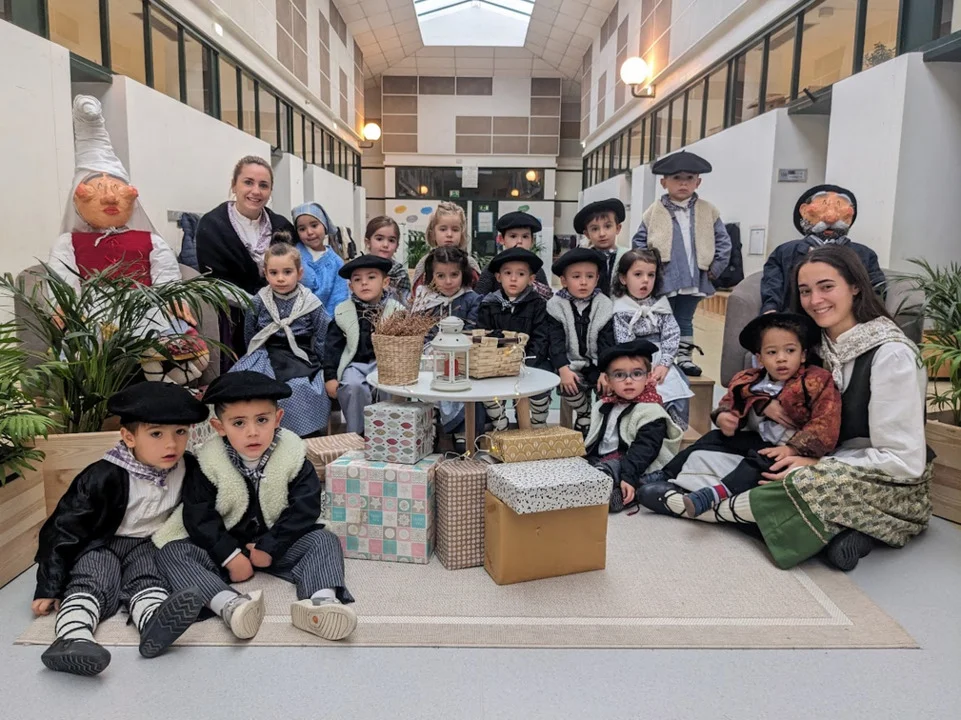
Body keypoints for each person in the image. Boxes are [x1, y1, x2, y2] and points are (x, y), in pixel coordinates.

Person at [640, 245, 932, 571]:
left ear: (855, 286)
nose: (815, 300)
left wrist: (814, 463)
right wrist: (758, 409)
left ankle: (690, 506)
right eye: (805, 291)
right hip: (812, 453)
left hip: (877, 476)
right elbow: (761, 399)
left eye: (826, 287)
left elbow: (903, 461)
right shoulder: (813, 346)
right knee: (728, 456)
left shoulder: (892, 354)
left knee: (793, 484)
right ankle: (835, 533)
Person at [154, 372, 356, 641]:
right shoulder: (208, 462)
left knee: (324, 540)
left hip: (279, 542)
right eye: (239, 423)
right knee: (173, 552)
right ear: (219, 427)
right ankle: (229, 605)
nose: (252, 432)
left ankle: (321, 602)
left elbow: (305, 507)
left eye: (262, 420)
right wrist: (229, 556)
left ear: (278, 419)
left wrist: (270, 547)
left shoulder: (293, 456)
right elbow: (199, 515)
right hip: (226, 545)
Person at [32, 383, 209, 676]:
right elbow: (63, 529)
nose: (171, 445)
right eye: (156, 434)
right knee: (93, 577)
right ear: (129, 437)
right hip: (101, 542)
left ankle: (154, 622)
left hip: (149, 543)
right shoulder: (102, 476)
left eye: (180, 432)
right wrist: (49, 585)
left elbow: (204, 512)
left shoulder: (188, 467)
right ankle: (73, 636)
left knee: (149, 577)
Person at [48, 95, 208, 385]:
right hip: (95, 312)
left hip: (145, 307)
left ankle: (162, 377)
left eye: (116, 188)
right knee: (86, 351)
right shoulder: (69, 243)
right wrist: (65, 305)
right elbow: (64, 280)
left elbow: (165, 278)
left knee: (172, 342)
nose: (110, 197)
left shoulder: (151, 240)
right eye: (98, 189)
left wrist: (174, 298)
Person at [640, 312, 841, 519]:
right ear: (760, 358)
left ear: (803, 355)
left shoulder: (816, 380)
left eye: (790, 350)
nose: (781, 358)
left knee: (760, 462)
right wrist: (723, 417)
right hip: (758, 439)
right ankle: (667, 473)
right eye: (772, 352)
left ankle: (714, 494)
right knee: (712, 438)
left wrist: (792, 448)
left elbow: (825, 421)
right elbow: (729, 401)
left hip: (790, 446)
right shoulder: (749, 379)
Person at [631, 150, 732, 376]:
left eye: (689, 178)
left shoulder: (708, 210)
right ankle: (660, 356)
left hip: (695, 276)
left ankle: (684, 357)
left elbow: (724, 242)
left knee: (685, 318)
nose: (683, 183)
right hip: (665, 276)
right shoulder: (654, 212)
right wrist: (647, 272)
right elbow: (639, 241)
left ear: (698, 182)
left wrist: (715, 268)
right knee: (661, 316)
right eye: (677, 178)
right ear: (664, 182)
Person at [195, 156, 296, 369]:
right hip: (231, 321)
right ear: (234, 185)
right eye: (248, 182)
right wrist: (256, 305)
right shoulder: (212, 225)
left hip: (280, 319)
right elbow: (213, 283)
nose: (256, 191)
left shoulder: (282, 226)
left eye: (263, 185)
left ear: (270, 191)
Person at [230, 234, 331, 438]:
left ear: (299, 273)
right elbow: (250, 331)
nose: (281, 278)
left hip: (299, 355)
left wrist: (323, 363)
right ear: (265, 274)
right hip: (266, 352)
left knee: (299, 386)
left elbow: (323, 333)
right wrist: (253, 354)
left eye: (287, 272)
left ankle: (302, 434)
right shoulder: (259, 300)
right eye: (274, 273)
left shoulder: (310, 302)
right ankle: (257, 431)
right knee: (243, 381)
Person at [584, 340, 682, 513]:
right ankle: (603, 487)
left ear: (648, 376)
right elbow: (594, 438)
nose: (628, 381)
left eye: (637, 374)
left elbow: (645, 449)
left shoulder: (651, 411)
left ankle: (616, 489)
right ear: (608, 380)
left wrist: (628, 477)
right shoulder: (603, 405)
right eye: (619, 375)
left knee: (609, 468)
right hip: (603, 457)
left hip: (635, 463)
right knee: (580, 466)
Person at [760, 184, 885, 314]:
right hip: (795, 319)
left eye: (839, 206)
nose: (831, 218)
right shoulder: (784, 252)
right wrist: (771, 311)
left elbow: (876, 290)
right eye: (823, 206)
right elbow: (772, 284)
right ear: (804, 211)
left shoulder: (865, 254)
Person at [323, 255, 405, 435]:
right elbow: (332, 347)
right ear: (351, 287)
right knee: (352, 386)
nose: (364, 283)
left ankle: (388, 433)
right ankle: (358, 434)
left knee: (388, 387)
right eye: (357, 279)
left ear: (385, 282)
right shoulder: (343, 312)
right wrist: (330, 376)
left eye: (371, 277)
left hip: (386, 365)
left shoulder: (396, 311)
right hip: (354, 365)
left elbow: (405, 344)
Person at [611, 248, 693, 427]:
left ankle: (673, 428)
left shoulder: (661, 306)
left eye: (651, 275)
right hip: (634, 360)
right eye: (638, 274)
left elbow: (672, 334)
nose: (645, 280)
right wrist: (642, 368)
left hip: (661, 358)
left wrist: (664, 364)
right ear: (623, 278)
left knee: (677, 385)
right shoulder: (621, 308)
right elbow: (624, 342)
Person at [477, 247, 556, 429]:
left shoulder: (537, 304)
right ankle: (500, 425)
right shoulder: (489, 304)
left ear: (531, 279)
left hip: (530, 360)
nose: (513, 278)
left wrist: (529, 360)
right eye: (508, 273)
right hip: (496, 363)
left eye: (521, 274)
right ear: (498, 277)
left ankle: (537, 423)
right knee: (488, 389)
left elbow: (541, 335)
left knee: (541, 381)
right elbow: (483, 334)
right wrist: (497, 359)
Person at [411, 247, 482, 447]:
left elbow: (472, 330)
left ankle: (462, 431)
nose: (448, 281)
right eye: (440, 276)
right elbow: (420, 333)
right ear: (431, 276)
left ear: (464, 274)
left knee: (464, 384)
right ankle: (429, 427)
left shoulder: (472, 299)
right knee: (426, 381)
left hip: (462, 357)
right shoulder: (424, 300)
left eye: (454, 275)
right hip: (430, 357)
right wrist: (432, 349)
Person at [546, 247, 615, 436]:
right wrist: (563, 368)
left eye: (590, 276)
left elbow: (607, 342)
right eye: (576, 276)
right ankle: (585, 413)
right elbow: (555, 341)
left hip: (597, 364)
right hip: (570, 363)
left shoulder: (604, 305)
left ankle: (600, 425)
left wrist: (605, 370)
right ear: (564, 280)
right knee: (568, 386)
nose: (583, 282)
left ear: (597, 278)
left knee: (608, 388)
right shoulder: (555, 305)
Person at [474, 211, 553, 300]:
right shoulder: (492, 268)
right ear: (501, 239)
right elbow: (477, 300)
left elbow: (547, 300)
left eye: (525, 237)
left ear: (532, 241)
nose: (519, 241)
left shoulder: (537, 270)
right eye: (513, 236)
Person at [410, 202, 481, 292]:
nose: (449, 234)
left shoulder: (469, 264)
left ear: (462, 233)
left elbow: (480, 292)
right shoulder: (425, 264)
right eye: (443, 229)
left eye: (455, 229)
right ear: (433, 234)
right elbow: (416, 295)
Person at [291, 202, 348, 311]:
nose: (309, 232)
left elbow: (339, 297)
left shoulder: (336, 262)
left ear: (325, 225)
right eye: (302, 229)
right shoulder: (292, 255)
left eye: (314, 225)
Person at [573, 198, 628, 296]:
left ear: (618, 228)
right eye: (595, 229)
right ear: (587, 234)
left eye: (607, 226)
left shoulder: (628, 257)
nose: (602, 234)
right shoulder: (582, 260)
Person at [364, 216, 411, 302]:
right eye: (379, 239)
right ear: (368, 242)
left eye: (391, 240)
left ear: (397, 246)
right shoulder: (357, 268)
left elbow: (405, 303)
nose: (385, 245)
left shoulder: (400, 273)